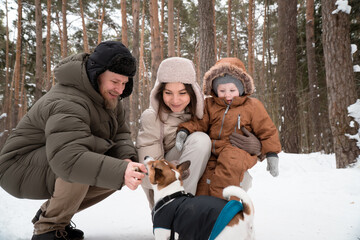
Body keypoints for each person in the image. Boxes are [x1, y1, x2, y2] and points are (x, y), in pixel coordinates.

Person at [0, 41, 147, 240]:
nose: (120, 89)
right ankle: (48, 230)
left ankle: (54, 214)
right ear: (97, 73)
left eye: (124, 82)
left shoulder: (110, 99)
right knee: (83, 164)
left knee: (113, 172)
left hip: (51, 161)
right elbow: (68, 159)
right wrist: (120, 170)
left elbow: (121, 134)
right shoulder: (68, 101)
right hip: (17, 167)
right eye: (115, 81)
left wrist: (126, 160)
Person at [175, 57, 282, 199]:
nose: (227, 94)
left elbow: (267, 130)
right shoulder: (210, 104)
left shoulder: (252, 106)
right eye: (222, 90)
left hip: (237, 150)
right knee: (207, 176)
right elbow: (199, 122)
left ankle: (223, 206)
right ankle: (202, 207)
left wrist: (271, 154)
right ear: (214, 89)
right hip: (215, 149)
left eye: (232, 89)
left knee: (228, 171)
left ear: (242, 88)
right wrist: (185, 130)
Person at [136, 57, 211, 209]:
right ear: (160, 92)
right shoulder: (152, 117)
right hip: (165, 197)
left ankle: (220, 215)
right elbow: (145, 174)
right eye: (168, 93)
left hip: (201, 184)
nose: (175, 100)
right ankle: (181, 210)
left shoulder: (205, 111)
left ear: (192, 92)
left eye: (182, 93)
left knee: (240, 174)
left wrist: (256, 147)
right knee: (200, 140)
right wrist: (172, 170)